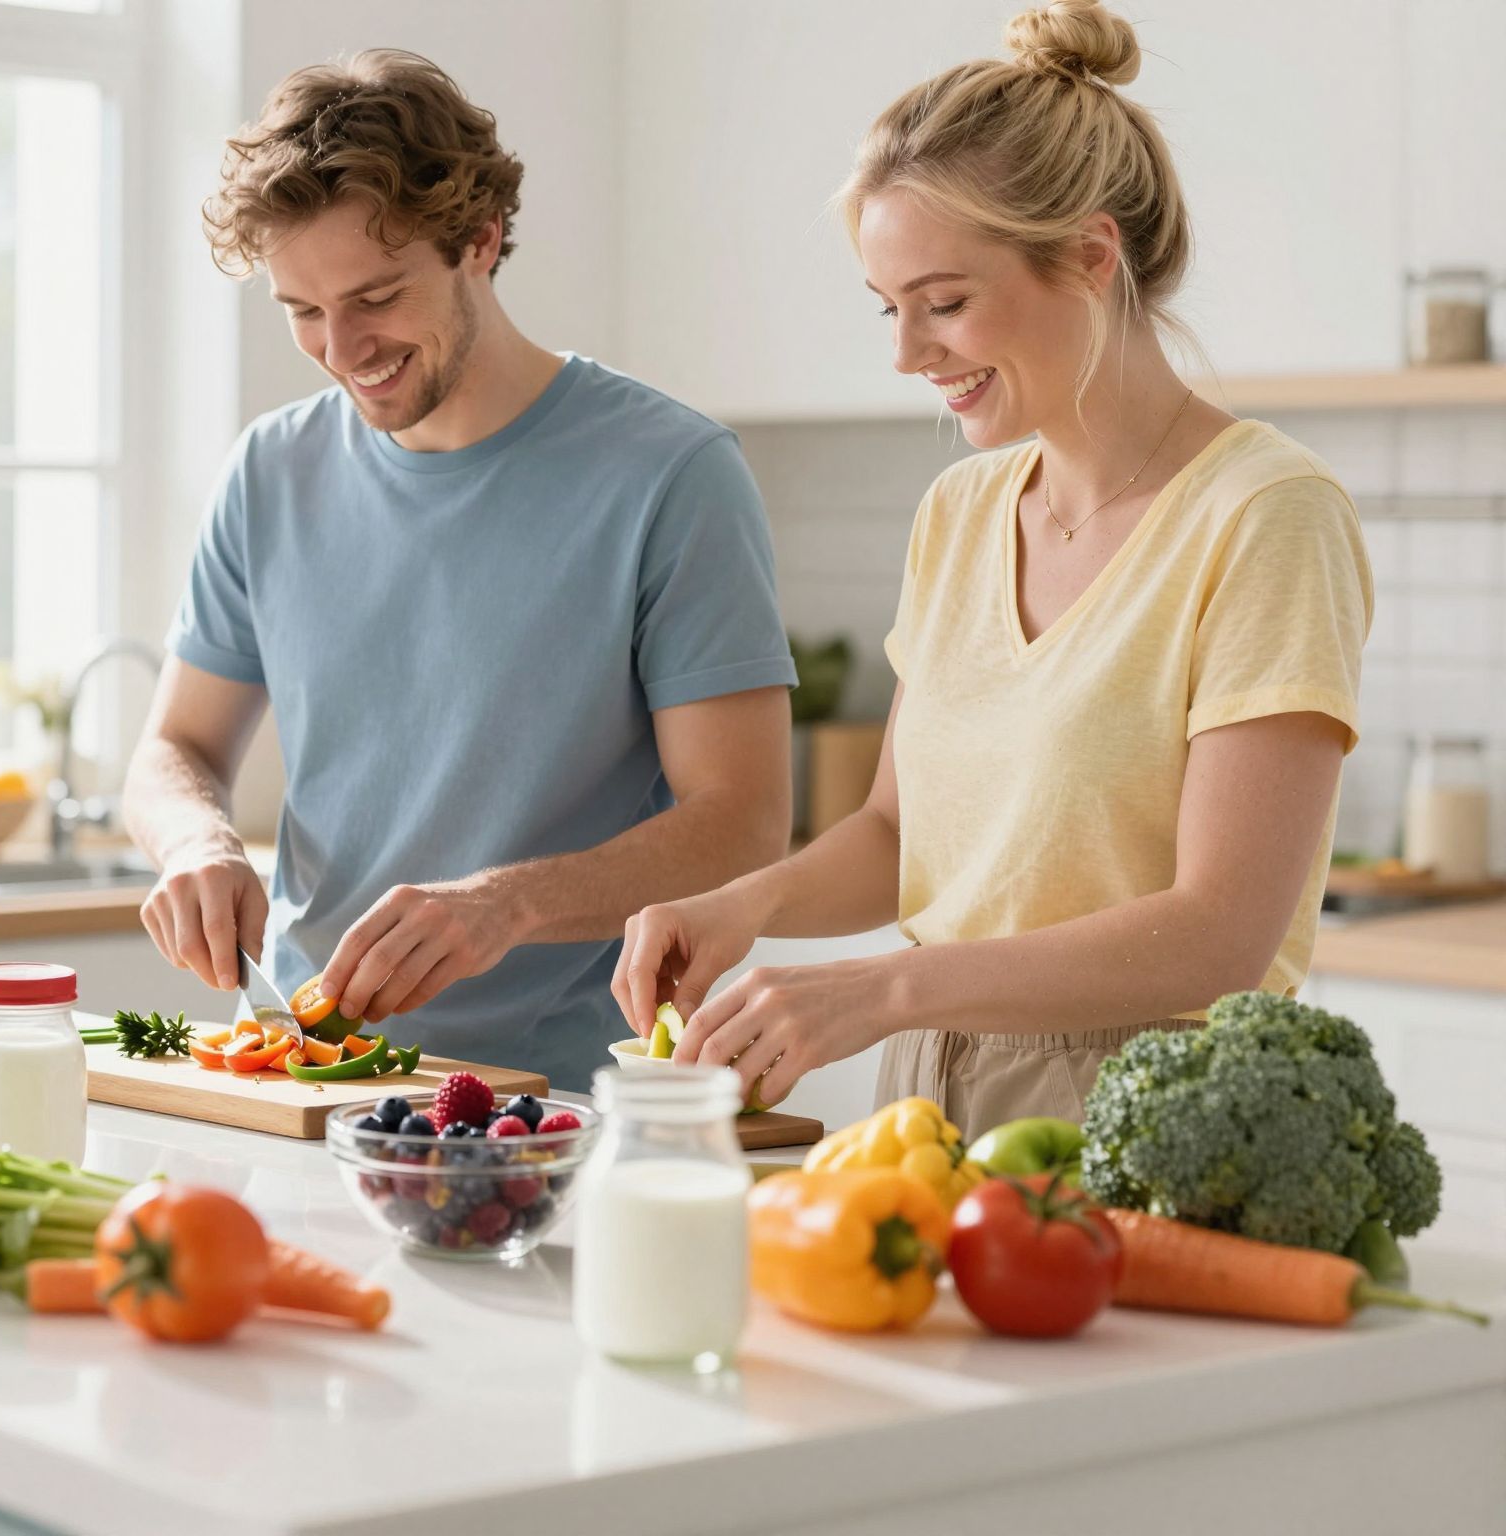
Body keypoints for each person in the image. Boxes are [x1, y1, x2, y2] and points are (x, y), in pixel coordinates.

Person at [613, 0, 1371, 1134]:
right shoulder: (960, 512)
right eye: (889, 309)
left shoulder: (1262, 515)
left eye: (944, 305)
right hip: (924, 1095)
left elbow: (1219, 936)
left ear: (1087, 256)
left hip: (1153, 1118)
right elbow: (892, 833)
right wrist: (740, 905)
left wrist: (879, 985)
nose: (906, 354)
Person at [124, 50, 795, 1090]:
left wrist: (503, 905)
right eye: (301, 310)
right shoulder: (270, 470)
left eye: (376, 296)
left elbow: (743, 820)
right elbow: (176, 745)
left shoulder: (669, 473)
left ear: (478, 241)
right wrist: (194, 846)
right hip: (316, 1076)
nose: (341, 347)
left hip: (562, 1098)